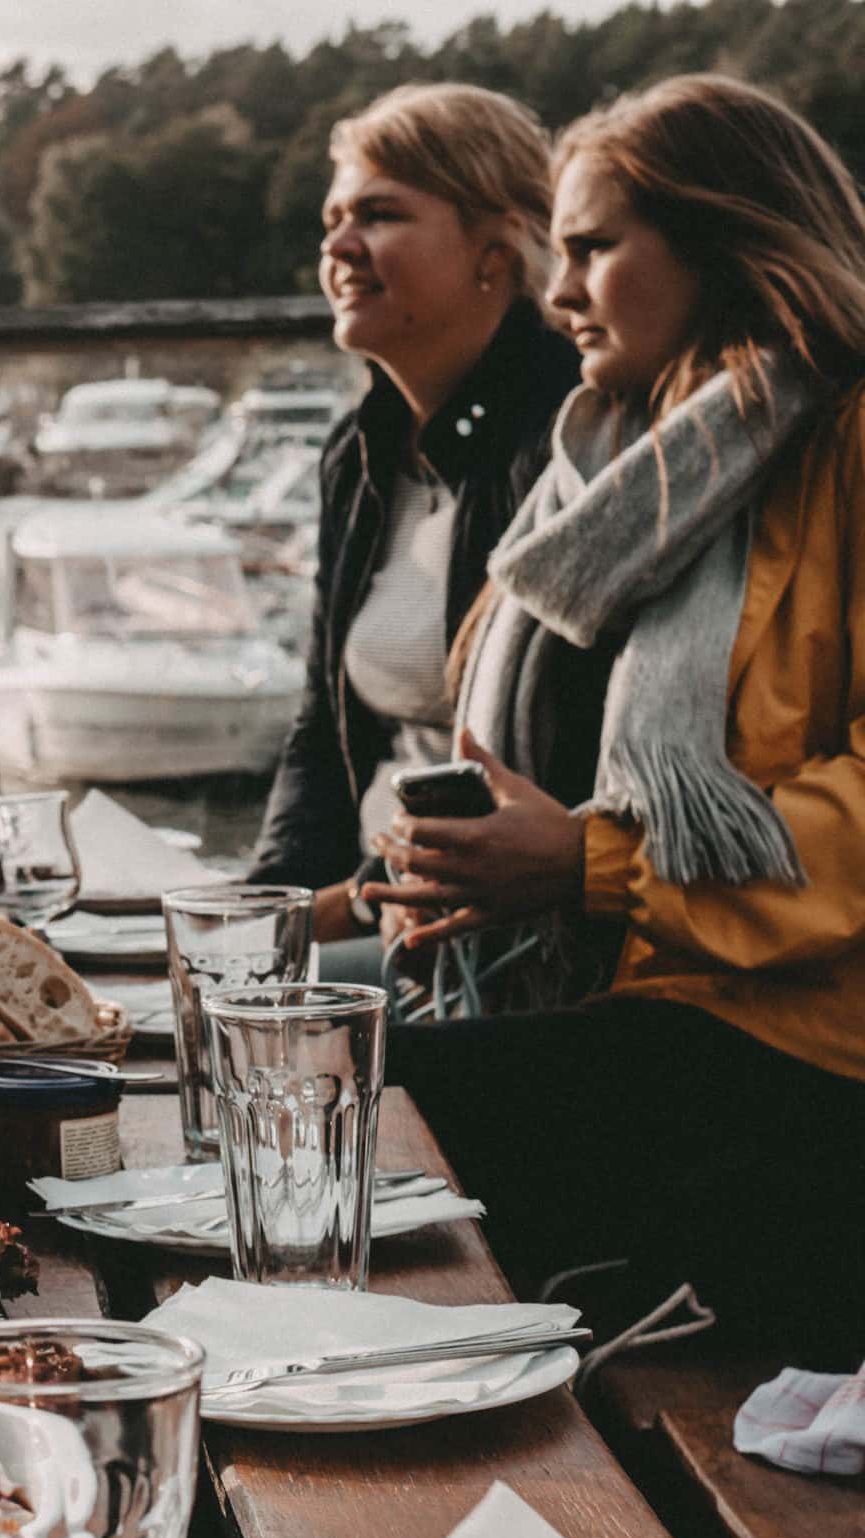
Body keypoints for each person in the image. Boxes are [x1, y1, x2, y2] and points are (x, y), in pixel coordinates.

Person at [370, 75, 865, 1366]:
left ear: (726, 241)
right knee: (294, 1074)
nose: (559, 291)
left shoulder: (851, 445)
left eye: (593, 247)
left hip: (811, 1066)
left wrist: (590, 867)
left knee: (351, 1113)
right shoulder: (625, 473)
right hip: (670, 1009)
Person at [247, 86, 590, 966]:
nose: (335, 246)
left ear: (496, 244)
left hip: (491, 935)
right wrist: (263, 911)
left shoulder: (573, 441)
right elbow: (322, 728)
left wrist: (349, 905)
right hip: (373, 906)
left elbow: (570, 755)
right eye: (332, 220)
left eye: (379, 213)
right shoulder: (358, 455)